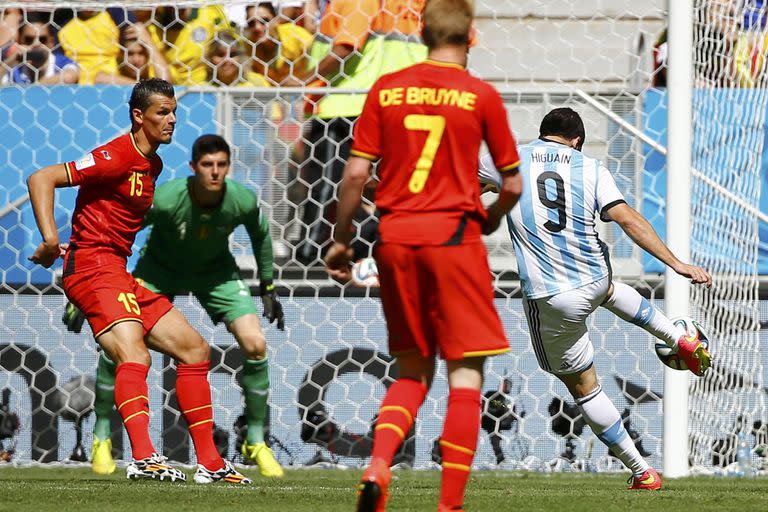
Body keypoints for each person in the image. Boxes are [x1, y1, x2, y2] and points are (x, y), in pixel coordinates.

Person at [324, 1, 523, 510]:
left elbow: (353, 176)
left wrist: (343, 237)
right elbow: (512, 184)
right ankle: (449, 504)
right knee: (465, 374)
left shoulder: (387, 89)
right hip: (454, 239)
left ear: (420, 29)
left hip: (395, 239)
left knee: (412, 371)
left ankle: (377, 464)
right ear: (472, 35)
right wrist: (493, 216)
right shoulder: (479, 94)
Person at [27, 78, 250, 485]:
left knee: (194, 349)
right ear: (138, 116)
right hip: (92, 269)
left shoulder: (154, 164)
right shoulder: (115, 155)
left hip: (117, 270)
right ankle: (144, 458)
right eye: (162, 112)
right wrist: (50, 240)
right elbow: (42, 178)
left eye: (174, 112)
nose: (171, 120)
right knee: (135, 355)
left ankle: (211, 465)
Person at [478, 107, 713, 491]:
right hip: (595, 277)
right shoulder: (591, 167)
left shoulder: (508, 158)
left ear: (542, 134)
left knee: (583, 386)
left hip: (552, 296)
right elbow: (628, 219)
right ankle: (677, 337)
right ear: (578, 141)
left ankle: (642, 472)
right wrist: (676, 263)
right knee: (611, 290)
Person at [69, 133, 286, 478]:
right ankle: (102, 436)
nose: (214, 172)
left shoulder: (241, 199)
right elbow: (122, 228)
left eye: (221, 165)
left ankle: (255, 440)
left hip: (216, 274)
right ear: (193, 168)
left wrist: (268, 286)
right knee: (123, 347)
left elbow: (261, 236)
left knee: (255, 342)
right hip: (159, 270)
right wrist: (97, 282)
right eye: (207, 165)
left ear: (229, 167)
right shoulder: (169, 198)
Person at [0, 12, 80, 85]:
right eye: (29, 40)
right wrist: (11, 60)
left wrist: (32, 88)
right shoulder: (15, 69)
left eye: (42, 39)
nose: (36, 44)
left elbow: (69, 77)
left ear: (51, 42)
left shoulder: (62, 62)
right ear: (20, 41)